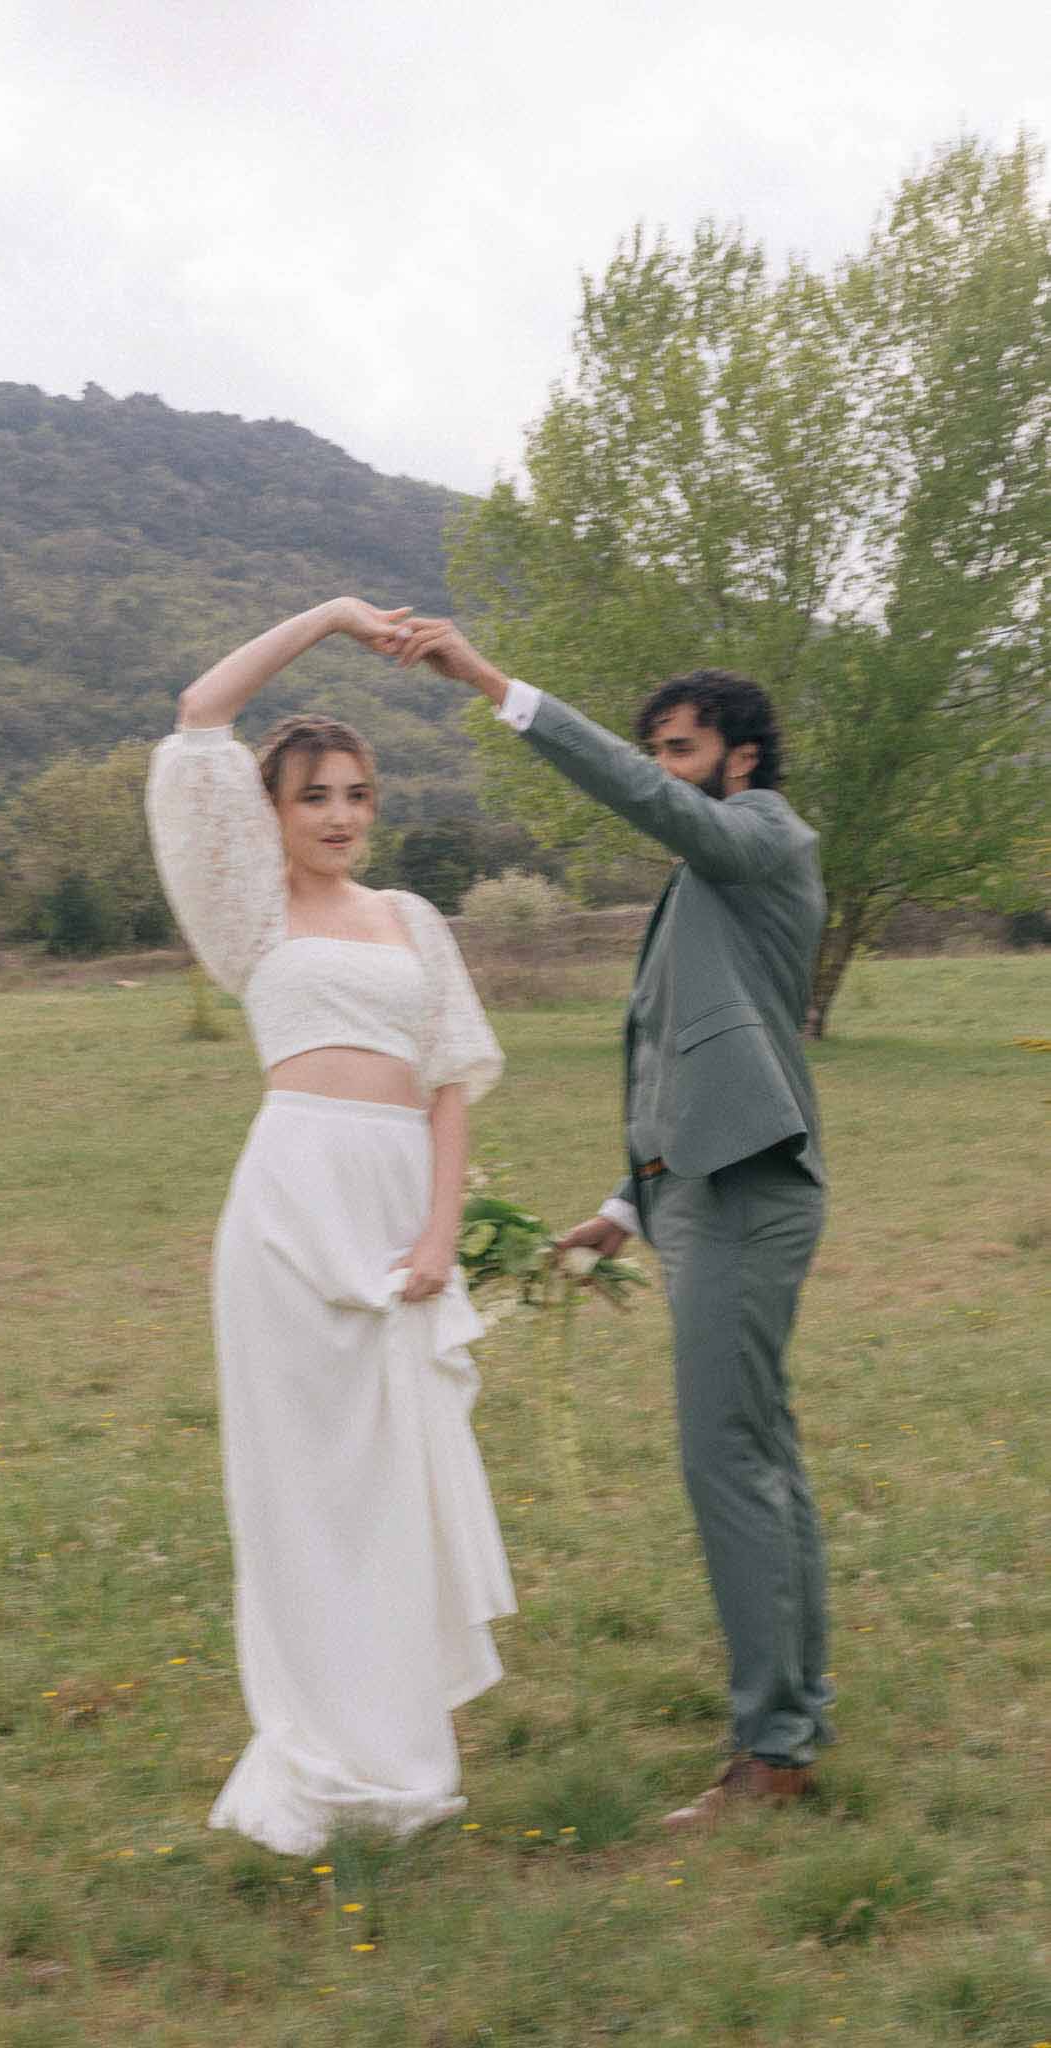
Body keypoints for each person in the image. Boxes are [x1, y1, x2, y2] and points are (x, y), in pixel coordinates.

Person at [392, 617, 832, 1828]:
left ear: (741, 759)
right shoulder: (710, 878)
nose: (663, 768)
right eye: (658, 750)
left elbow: (654, 805)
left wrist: (491, 683)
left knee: (729, 1461)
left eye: (681, 749)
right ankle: (792, 1719)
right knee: (763, 1458)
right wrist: (620, 1206)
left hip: (747, 1195)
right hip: (698, 1192)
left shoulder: (762, 834)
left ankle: (774, 1749)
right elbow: (679, 1054)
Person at [144, 598, 515, 1857]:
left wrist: (439, 1231)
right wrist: (336, 618)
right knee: (302, 1496)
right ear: (274, 815)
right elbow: (201, 717)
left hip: (396, 1206)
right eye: (314, 797)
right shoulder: (250, 916)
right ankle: (315, 1750)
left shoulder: (414, 919)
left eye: (357, 791)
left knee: (394, 1489)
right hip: (289, 1220)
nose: (342, 815)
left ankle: (402, 1760)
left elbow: (452, 1075)